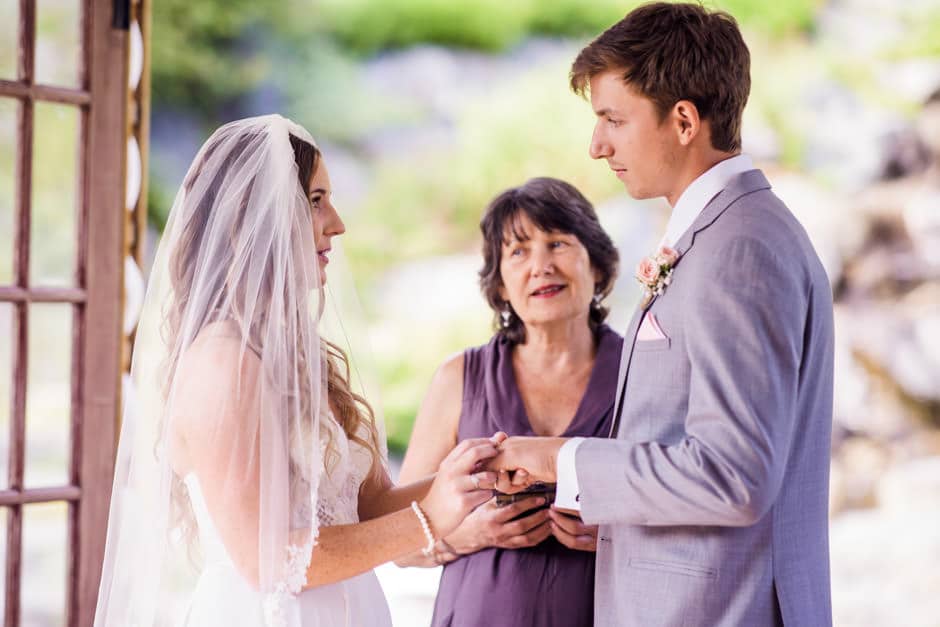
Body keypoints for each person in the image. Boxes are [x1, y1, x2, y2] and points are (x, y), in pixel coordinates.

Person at [486, 4, 835, 626]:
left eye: (614, 120)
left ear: (683, 121)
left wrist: (559, 458)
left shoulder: (740, 247)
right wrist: (611, 514)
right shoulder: (721, 231)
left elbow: (733, 475)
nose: (597, 146)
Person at [93, 115, 500, 627]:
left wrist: (471, 477)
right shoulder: (222, 361)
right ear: (253, 219)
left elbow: (367, 505)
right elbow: (264, 559)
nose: (337, 222)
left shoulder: (304, 355)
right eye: (315, 200)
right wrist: (430, 520)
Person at [397, 177, 623, 627]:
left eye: (557, 243)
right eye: (518, 251)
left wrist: (620, 536)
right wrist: (468, 534)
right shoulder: (458, 378)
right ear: (499, 284)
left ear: (596, 266)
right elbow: (399, 542)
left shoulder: (643, 373)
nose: (540, 266)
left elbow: (690, 507)